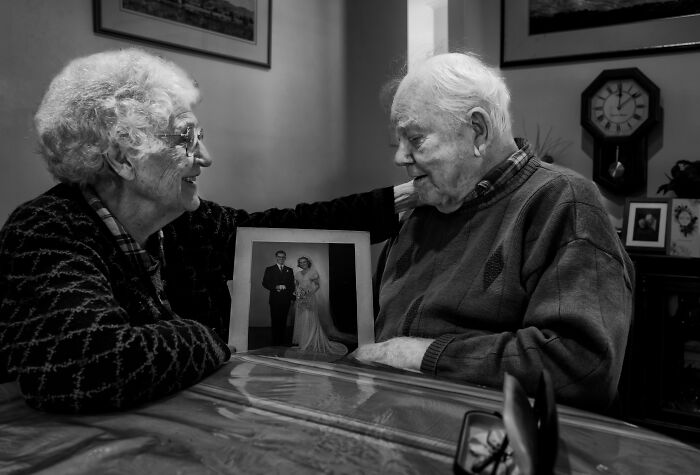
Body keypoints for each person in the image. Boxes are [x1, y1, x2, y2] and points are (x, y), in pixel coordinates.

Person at [0, 48, 417, 413]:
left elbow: (281, 227)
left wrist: (406, 197)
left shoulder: (185, 223)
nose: (206, 157)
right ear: (124, 158)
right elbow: (89, 366)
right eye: (186, 138)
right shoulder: (45, 231)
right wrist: (212, 340)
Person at [353, 52, 634, 411]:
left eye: (416, 139)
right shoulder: (419, 212)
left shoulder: (564, 202)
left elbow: (581, 364)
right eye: (399, 142)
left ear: (479, 131)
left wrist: (419, 355)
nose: (400, 158)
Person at [292, 256, 347, 355]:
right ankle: (303, 341)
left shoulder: (313, 273)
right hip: (300, 299)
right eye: (300, 262)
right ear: (299, 264)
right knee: (301, 318)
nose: (302, 264)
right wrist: (298, 293)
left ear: (307, 263)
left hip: (310, 297)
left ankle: (310, 340)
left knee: (309, 318)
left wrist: (309, 292)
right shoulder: (297, 274)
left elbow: (317, 285)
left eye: (304, 262)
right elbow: (296, 285)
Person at [262, 250, 296, 346]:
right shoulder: (270, 269)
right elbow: (265, 283)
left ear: (285, 258)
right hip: (275, 299)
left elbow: (292, 285)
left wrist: (293, 298)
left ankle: (282, 341)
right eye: (279, 257)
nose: (281, 259)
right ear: (276, 257)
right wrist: (275, 287)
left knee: (283, 320)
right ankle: (275, 341)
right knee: (275, 319)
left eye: (283, 257)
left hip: (286, 299)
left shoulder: (289, 270)